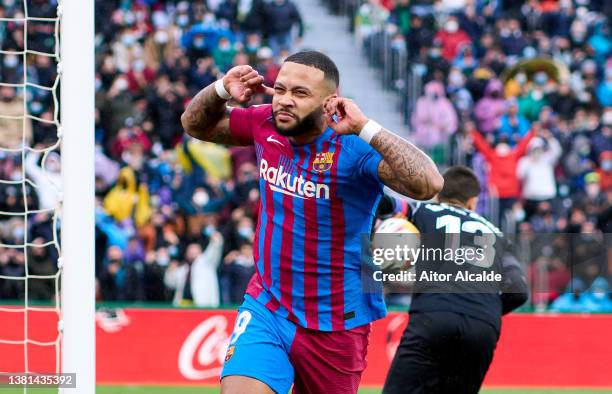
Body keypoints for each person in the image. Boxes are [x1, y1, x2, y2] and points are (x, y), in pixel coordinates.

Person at [181, 50, 443, 394]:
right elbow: (194, 124)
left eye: (300, 93)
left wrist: (367, 128)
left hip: (336, 324)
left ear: (329, 103)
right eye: (280, 90)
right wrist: (220, 90)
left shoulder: (354, 147)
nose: (285, 101)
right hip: (268, 306)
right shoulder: (265, 124)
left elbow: (429, 184)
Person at [382, 166, 528, 394]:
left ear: (438, 195)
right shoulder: (498, 235)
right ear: (473, 201)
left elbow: (386, 205)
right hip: (483, 325)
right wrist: (481, 308)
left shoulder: (424, 210)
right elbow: (519, 291)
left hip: (434, 316)